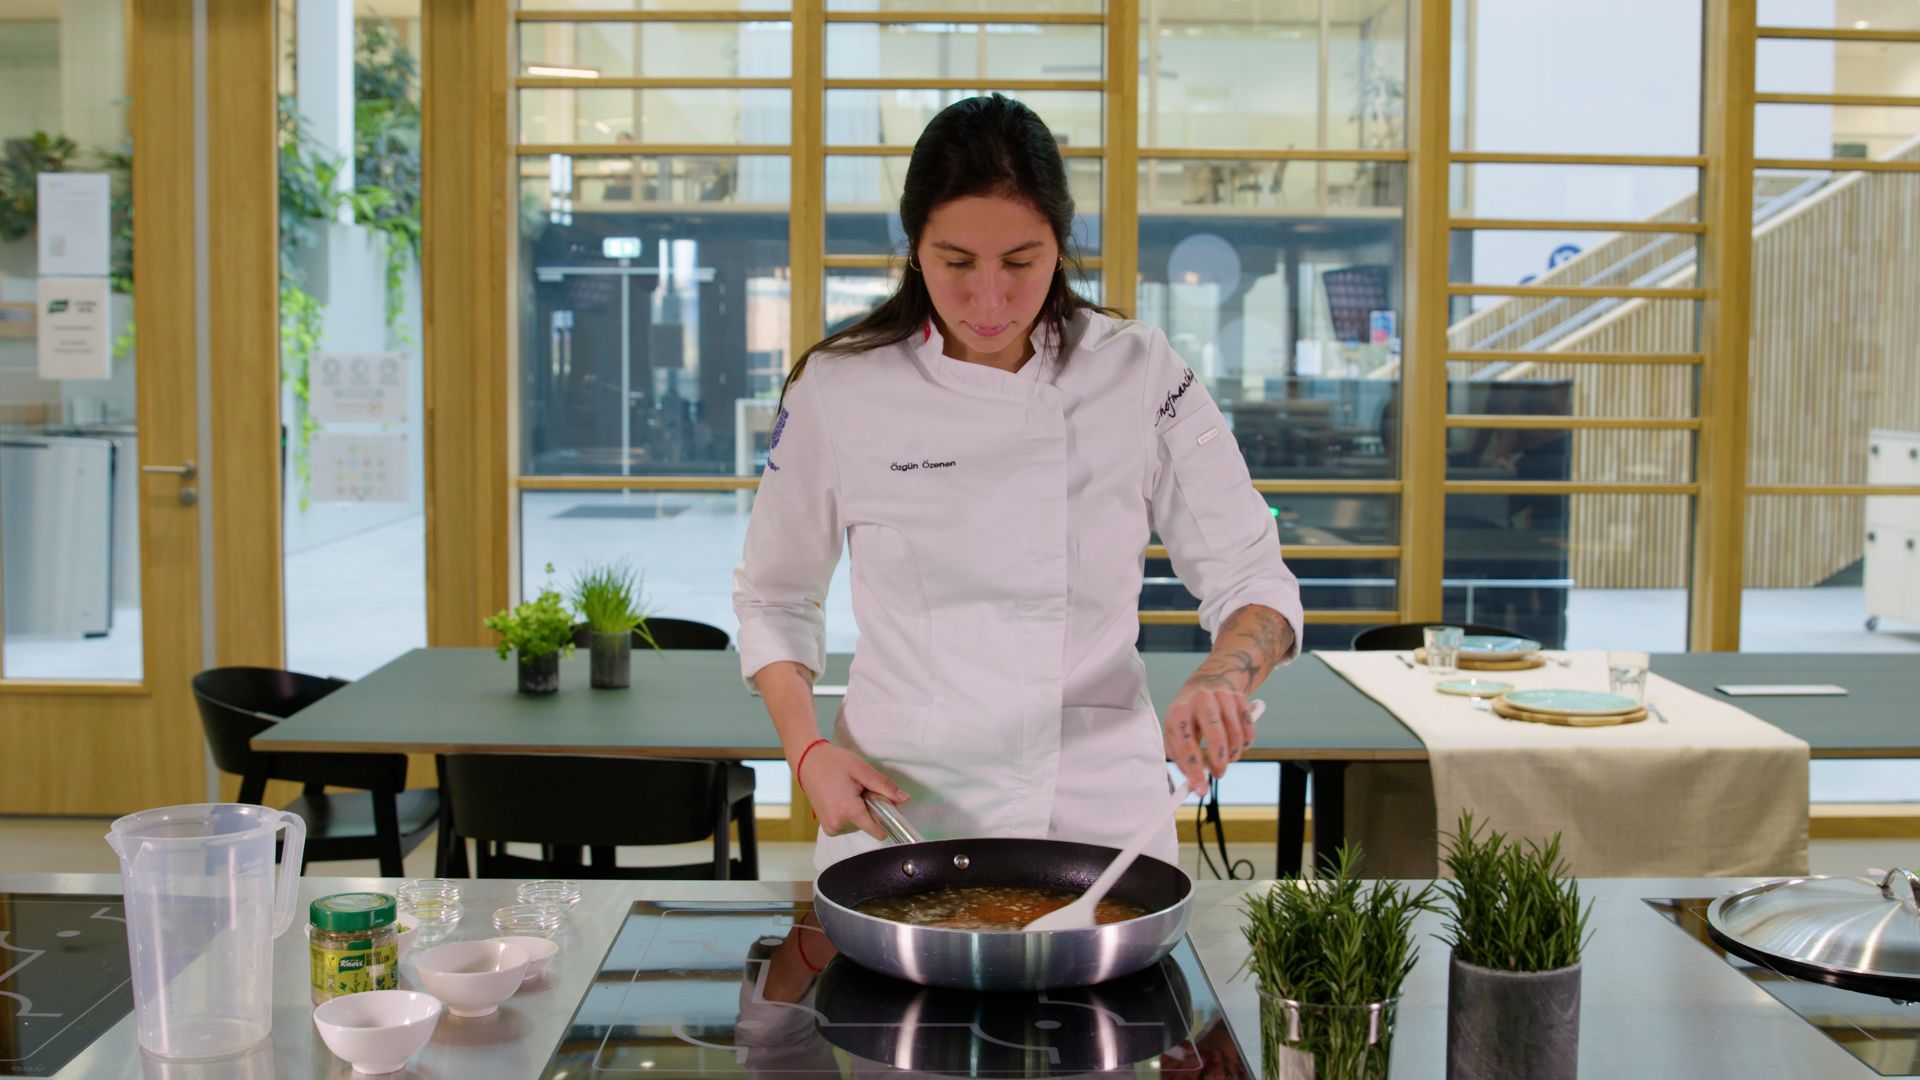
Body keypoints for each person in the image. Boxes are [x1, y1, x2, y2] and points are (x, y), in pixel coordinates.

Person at [733, 94, 1302, 872]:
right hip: (905, 804)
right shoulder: (839, 388)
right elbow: (775, 595)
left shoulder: (1137, 370)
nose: (989, 301)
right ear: (914, 248)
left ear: (1060, 245)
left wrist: (1221, 676)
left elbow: (1252, 575)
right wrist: (805, 751)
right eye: (956, 263)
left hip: (1099, 812)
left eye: (1021, 262)